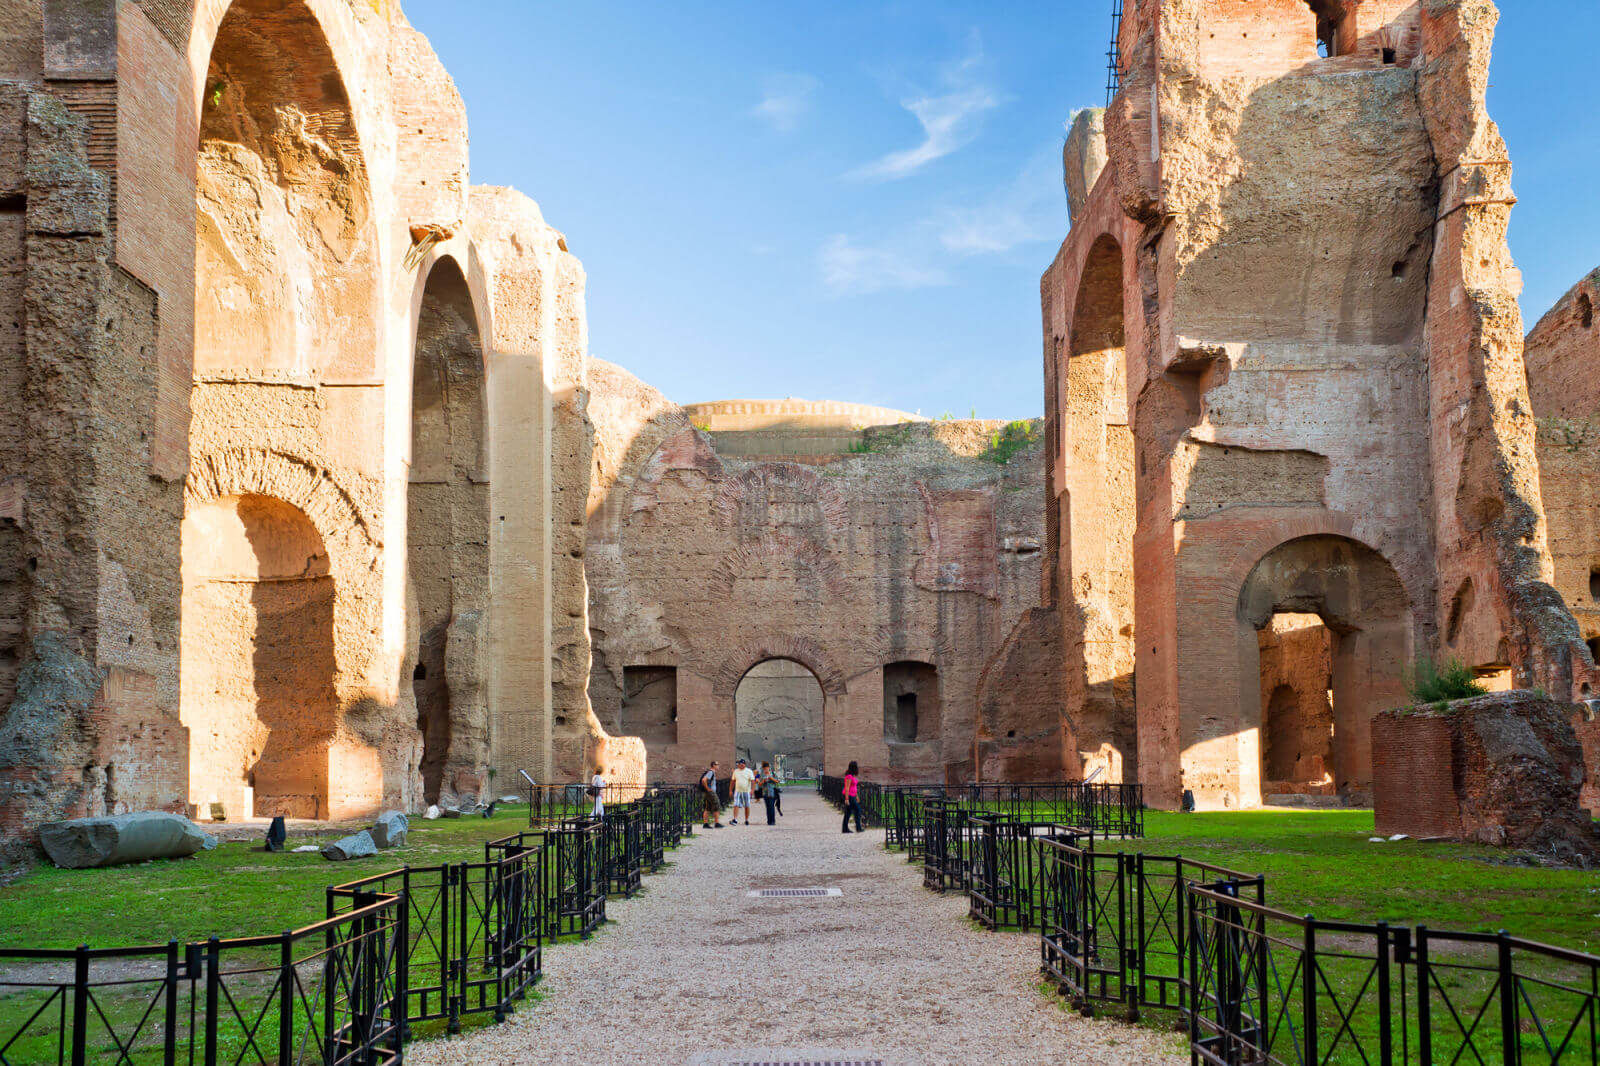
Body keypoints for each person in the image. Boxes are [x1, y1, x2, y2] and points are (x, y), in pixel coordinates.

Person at [729, 758, 756, 826]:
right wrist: (730, 790)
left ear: (745, 764)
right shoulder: (736, 771)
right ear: (738, 765)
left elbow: (753, 781)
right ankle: (735, 819)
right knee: (736, 805)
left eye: (742, 764)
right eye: (740, 764)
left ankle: (746, 820)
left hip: (746, 791)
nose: (741, 765)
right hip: (738, 791)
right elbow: (732, 781)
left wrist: (752, 790)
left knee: (747, 805)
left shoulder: (749, 771)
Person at [840, 760, 863, 834]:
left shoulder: (852, 776)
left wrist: (857, 796)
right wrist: (846, 799)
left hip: (852, 795)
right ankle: (858, 828)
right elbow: (847, 788)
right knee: (858, 810)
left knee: (848, 812)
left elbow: (854, 787)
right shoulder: (849, 776)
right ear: (854, 767)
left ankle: (845, 828)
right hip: (849, 796)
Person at [700, 761, 723, 828]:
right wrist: (708, 789)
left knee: (708, 808)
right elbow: (704, 780)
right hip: (710, 793)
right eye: (717, 764)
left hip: (708, 793)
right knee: (717, 805)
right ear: (713, 765)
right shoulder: (711, 772)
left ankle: (705, 824)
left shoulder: (711, 772)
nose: (718, 765)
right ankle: (716, 823)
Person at [758, 761, 779, 826]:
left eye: (767, 768)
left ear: (769, 768)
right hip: (765, 793)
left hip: (772, 792)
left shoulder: (773, 773)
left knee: (772, 806)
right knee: (767, 807)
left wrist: (771, 778)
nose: (766, 769)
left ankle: (773, 821)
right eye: (764, 768)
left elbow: (777, 781)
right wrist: (763, 781)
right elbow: (759, 784)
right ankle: (769, 821)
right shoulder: (762, 775)